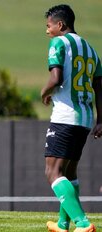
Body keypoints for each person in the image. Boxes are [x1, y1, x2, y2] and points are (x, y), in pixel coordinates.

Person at [41, 4, 102, 232]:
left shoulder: (58, 43)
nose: (47, 31)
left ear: (60, 25)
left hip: (65, 116)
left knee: (52, 172)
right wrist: (101, 120)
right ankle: (63, 224)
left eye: (49, 26)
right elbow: (100, 86)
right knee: (69, 172)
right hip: (85, 118)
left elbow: (56, 78)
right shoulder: (91, 49)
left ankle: (83, 224)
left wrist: (44, 92)